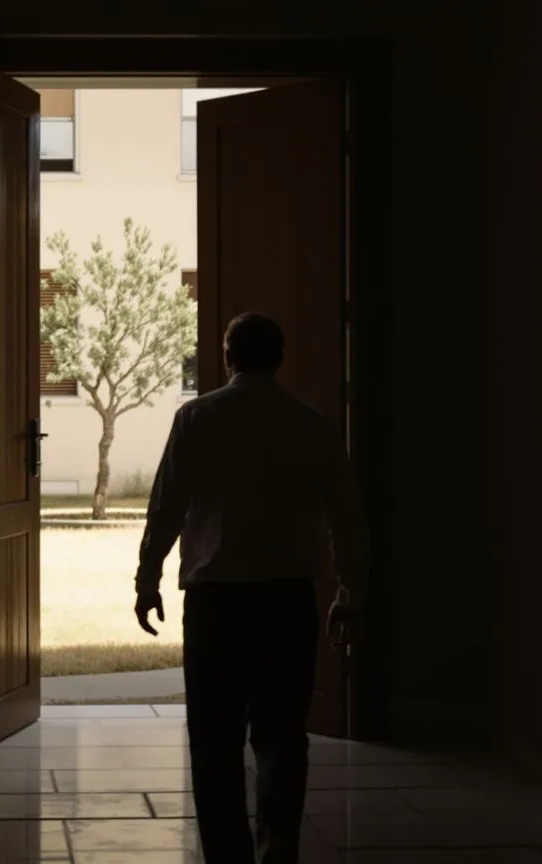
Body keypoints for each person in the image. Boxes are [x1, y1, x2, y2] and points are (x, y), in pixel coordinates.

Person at [133, 311, 369, 864]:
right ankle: (277, 845)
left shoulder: (196, 418)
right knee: (283, 733)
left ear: (226, 357)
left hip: (216, 602)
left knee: (214, 740)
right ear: (280, 359)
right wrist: (350, 593)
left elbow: (165, 507)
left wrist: (148, 580)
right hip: (287, 600)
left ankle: (227, 854)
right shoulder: (312, 424)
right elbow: (348, 517)